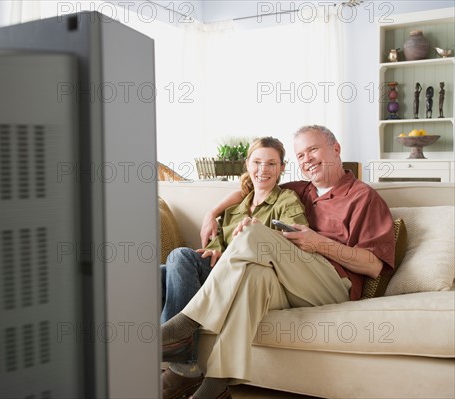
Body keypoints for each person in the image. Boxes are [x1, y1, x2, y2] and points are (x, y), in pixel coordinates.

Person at [161, 125, 396, 399]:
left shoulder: (363, 197)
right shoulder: (300, 190)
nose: (306, 159)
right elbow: (252, 187)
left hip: (332, 284)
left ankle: (185, 324)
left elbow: (374, 266)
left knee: (252, 232)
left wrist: (318, 242)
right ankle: (216, 386)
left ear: (336, 149)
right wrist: (211, 213)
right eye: (300, 155)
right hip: (291, 284)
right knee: (254, 277)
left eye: (313, 150)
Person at [160, 137, 308, 399]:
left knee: (179, 259)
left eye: (271, 163)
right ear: (247, 164)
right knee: (168, 265)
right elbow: (214, 247)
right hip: (218, 273)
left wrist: (256, 233)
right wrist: (214, 247)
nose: (263, 169)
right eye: (257, 162)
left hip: (248, 278)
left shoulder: (287, 200)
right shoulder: (235, 206)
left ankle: (180, 361)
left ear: (282, 167)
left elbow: (294, 244)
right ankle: (175, 356)